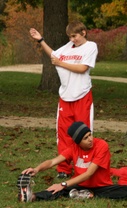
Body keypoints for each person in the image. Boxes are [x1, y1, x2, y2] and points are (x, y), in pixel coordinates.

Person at [29, 21, 98, 179]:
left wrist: (61, 63)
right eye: (70, 37)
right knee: (64, 134)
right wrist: (41, 40)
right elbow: (54, 56)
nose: (72, 39)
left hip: (82, 95)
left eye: (74, 36)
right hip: (65, 97)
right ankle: (64, 170)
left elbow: (82, 68)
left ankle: (84, 168)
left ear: (83, 33)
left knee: (85, 134)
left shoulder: (91, 46)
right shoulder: (67, 47)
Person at [16, 122, 127, 202]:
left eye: (90, 135)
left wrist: (63, 183)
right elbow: (53, 161)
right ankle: (32, 196)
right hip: (79, 185)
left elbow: (89, 174)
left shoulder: (101, 146)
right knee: (59, 190)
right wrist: (36, 169)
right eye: (85, 138)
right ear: (78, 142)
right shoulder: (73, 148)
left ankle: (87, 194)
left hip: (101, 187)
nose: (90, 139)